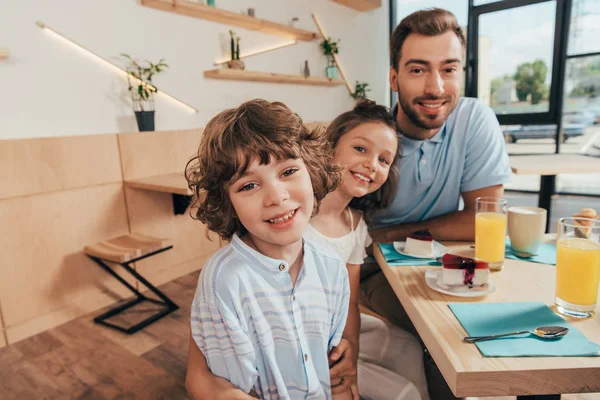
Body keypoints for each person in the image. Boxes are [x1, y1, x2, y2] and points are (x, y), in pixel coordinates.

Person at [360, 8, 512, 400]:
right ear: (393, 77)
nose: (435, 87)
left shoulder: (475, 118)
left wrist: (387, 233)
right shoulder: (369, 137)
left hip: (447, 259)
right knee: (442, 333)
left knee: (505, 325)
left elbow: (485, 219)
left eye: (448, 69)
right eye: (417, 69)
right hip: (379, 271)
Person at [185, 99, 352, 399]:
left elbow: (330, 364)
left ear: (312, 172)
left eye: (288, 172)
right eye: (248, 186)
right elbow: (220, 382)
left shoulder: (331, 266)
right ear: (229, 205)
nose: (276, 196)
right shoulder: (225, 280)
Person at [306, 100, 429, 400]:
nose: (372, 164)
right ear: (330, 147)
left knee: (408, 346)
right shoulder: (298, 217)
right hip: (306, 343)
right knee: (405, 393)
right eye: (361, 149)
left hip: (338, 331)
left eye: (384, 160)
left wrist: (353, 363)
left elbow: (349, 306)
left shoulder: (355, 225)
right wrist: (345, 378)